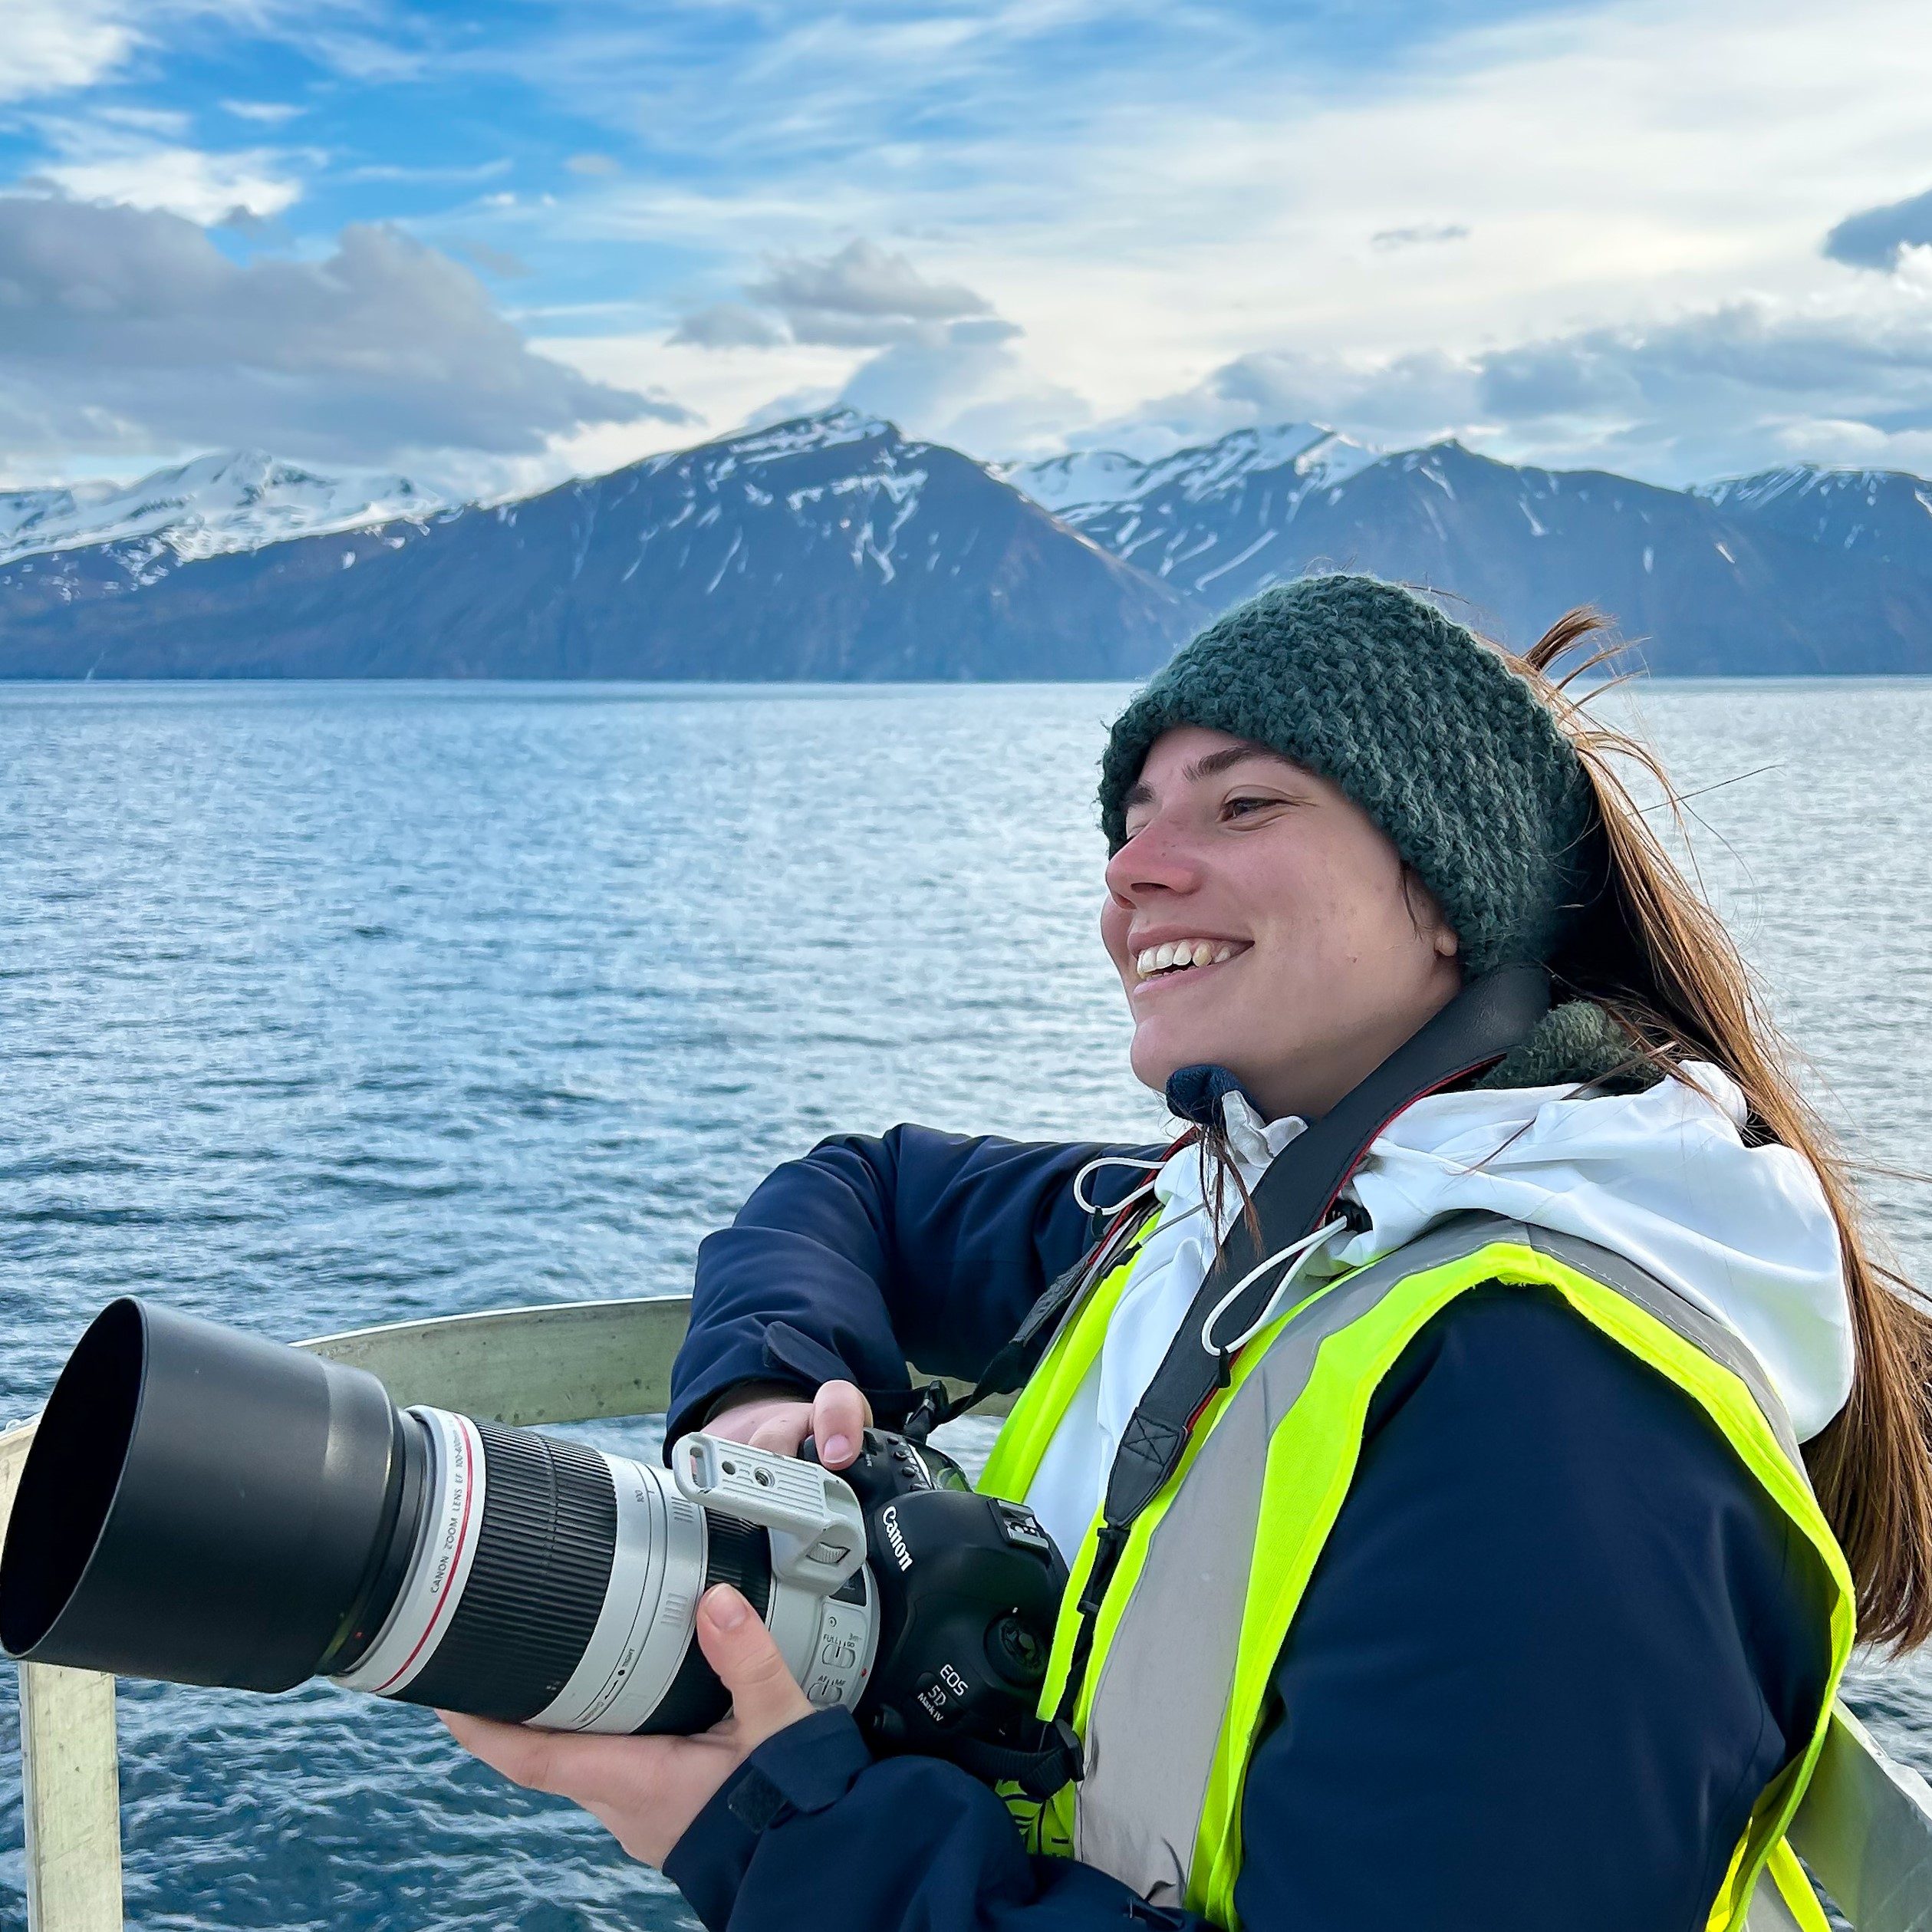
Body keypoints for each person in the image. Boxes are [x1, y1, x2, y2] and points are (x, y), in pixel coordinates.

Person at [445, 575, 1932, 1932]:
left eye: (1242, 807)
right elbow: (860, 1193)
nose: (1135, 873)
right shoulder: (1220, 1221)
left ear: (1447, 886)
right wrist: (763, 1401)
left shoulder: (1554, 1421)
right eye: (1133, 820)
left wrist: (777, 1836)